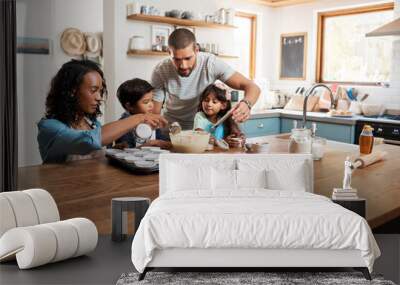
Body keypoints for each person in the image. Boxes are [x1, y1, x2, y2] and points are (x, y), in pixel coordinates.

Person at [37, 59, 167, 163]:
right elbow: (88, 141)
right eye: (93, 91)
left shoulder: (92, 123)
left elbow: (94, 157)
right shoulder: (49, 128)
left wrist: (115, 151)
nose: (99, 98)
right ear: (72, 91)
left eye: (100, 91)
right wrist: (140, 117)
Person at [151, 28, 260, 132]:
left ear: (197, 50)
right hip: (171, 131)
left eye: (188, 58)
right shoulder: (160, 70)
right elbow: (154, 113)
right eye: (177, 59)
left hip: (204, 131)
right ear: (169, 53)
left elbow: (252, 87)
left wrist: (247, 103)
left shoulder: (210, 64)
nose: (183, 65)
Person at [115, 78, 171, 149]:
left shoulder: (152, 120)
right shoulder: (124, 125)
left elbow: (162, 140)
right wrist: (148, 145)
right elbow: (125, 150)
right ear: (129, 106)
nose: (151, 105)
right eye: (146, 102)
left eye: (152, 100)